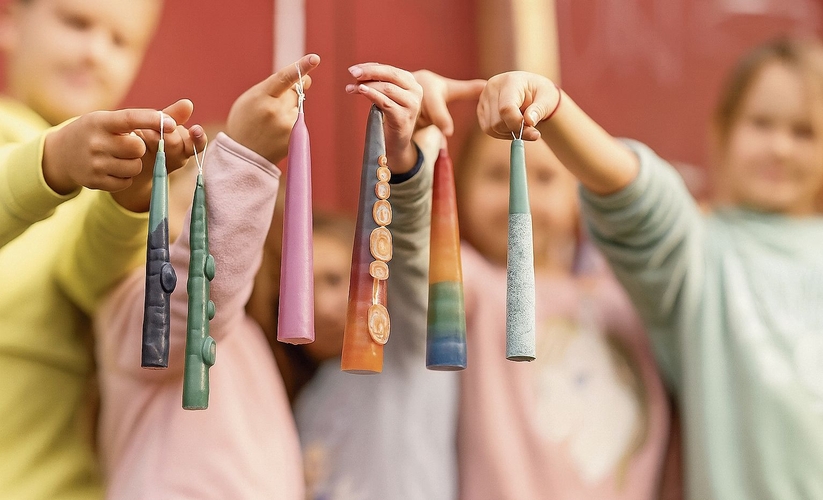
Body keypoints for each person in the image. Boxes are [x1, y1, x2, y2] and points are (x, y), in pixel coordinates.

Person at [476, 35, 823, 500]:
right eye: (761, 124)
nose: (780, 147)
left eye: (804, 132)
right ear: (723, 131)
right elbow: (640, 204)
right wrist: (555, 109)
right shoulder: (700, 252)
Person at [0, 0, 203, 498]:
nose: (95, 52)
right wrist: (52, 162)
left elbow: (90, 278)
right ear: (10, 21)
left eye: (120, 41)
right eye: (76, 22)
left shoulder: (111, 177)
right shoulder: (39, 153)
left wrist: (133, 198)